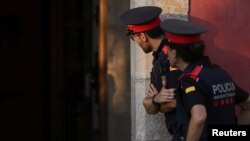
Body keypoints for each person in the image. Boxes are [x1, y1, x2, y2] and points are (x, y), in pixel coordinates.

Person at [160, 19, 250, 141]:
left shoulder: (191, 79)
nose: (166, 54)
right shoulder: (221, 74)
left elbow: (199, 117)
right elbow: (248, 104)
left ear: (175, 52)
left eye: (168, 50)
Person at [120, 6, 181, 140]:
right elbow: (150, 107)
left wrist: (155, 101)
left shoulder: (170, 59)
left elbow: (174, 103)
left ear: (142, 36)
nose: (135, 42)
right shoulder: (160, 57)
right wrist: (154, 100)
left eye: (133, 37)